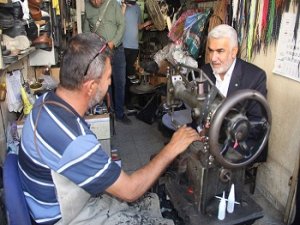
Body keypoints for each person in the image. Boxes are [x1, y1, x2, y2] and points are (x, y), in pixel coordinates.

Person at [18, 33, 201, 224]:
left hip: (55, 202)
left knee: (149, 203)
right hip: (63, 219)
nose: (110, 83)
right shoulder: (74, 140)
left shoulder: (45, 102)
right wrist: (172, 148)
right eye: (108, 78)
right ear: (90, 87)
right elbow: (130, 190)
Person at [201, 24, 268, 162]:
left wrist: (220, 132)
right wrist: (201, 126)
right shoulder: (205, 71)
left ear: (234, 52)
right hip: (210, 135)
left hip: (239, 141)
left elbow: (257, 124)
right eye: (211, 51)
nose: (213, 58)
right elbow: (198, 106)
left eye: (220, 51)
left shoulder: (255, 77)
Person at [83, 0, 130, 124]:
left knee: (120, 82)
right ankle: (109, 113)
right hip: (101, 52)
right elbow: (86, 33)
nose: (95, 2)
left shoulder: (113, 4)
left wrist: (113, 42)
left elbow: (122, 25)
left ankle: (119, 113)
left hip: (117, 49)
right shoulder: (87, 6)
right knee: (104, 83)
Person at [121, 0, 152, 110]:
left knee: (130, 74)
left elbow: (138, 26)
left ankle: (128, 102)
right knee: (122, 75)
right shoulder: (121, 5)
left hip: (134, 46)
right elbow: (118, 21)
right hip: (122, 46)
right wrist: (123, 6)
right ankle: (122, 103)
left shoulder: (137, 8)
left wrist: (146, 24)